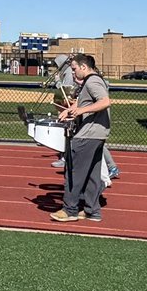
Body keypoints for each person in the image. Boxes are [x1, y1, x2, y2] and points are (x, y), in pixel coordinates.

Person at [51, 54, 112, 222]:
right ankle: (92, 211)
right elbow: (85, 101)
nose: (73, 73)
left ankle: (69, 209)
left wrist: (81, 111)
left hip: (88, 135)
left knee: (74, 173)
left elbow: (105, 101)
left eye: (74, 69)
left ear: (83, 67)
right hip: (97, 134)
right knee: (93, 175)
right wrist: (70, 109)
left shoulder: (93, 81)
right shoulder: (90, 82)